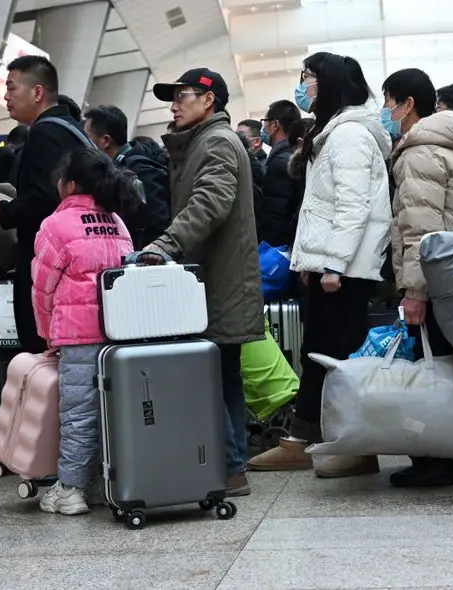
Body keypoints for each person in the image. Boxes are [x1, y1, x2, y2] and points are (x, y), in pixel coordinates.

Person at [246, 52, 392, 477]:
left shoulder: (349, 135)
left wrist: (333, 264)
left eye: (308, 77)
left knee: (338, 358)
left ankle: (356, 446)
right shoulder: (334, 132)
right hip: (334, 267)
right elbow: (322, 209)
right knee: (321, 354)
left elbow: (352, 208)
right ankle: (306, 438)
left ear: (327, 83)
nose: (303, 85)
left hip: (345, 271)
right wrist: (314, 261)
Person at [149, 68, 265, 496]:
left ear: (209, 100)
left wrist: (165, 244)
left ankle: (229, 469)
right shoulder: (199, 143)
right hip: (217, 280)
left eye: (183, 96)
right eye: (173, 97)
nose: (175, 104)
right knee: (224, 378)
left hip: (219, 283)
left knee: (213, 379)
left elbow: (210, 202)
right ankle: (231, 470)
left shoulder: (214, 142)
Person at [383, 68, 453, 487]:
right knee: (450, 366)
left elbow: (419, 229)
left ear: (409, 105)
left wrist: (415, 291)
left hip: (437, 280)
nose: (385, 111)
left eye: (389, 102)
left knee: (432, 368)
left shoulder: (419, 153)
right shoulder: (452, 148)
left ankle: (440, 459)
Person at [31, 149, 136, 515]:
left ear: (70, 184)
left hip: (78, 338)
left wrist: (48, 335)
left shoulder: (55, 226)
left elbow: (43, 289)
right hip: (118, 337)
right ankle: (103, 482)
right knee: (113, 412)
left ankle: (72, 489)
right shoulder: (117, 223)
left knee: (78, 415)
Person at [0, 55, 90, 354]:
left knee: (43, 351)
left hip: (50, 264)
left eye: (12, 88)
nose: (5, 96)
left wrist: (4, 211)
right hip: (77, 262)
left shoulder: (44, 133)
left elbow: (46, 199)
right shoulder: (72, 129)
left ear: (38, 92)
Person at [83, 104, 171, 249]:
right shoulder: (114, 169)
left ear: (105, 141)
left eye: (87, 138)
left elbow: (156, 226)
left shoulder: (141, 171)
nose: (84, 144)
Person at [257, 99, 305, 248]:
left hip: (279, 249)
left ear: (275, 125)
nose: (263, 127)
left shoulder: (279, 162)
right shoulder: (294, 155)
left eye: (265, 122)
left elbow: (276, 215)